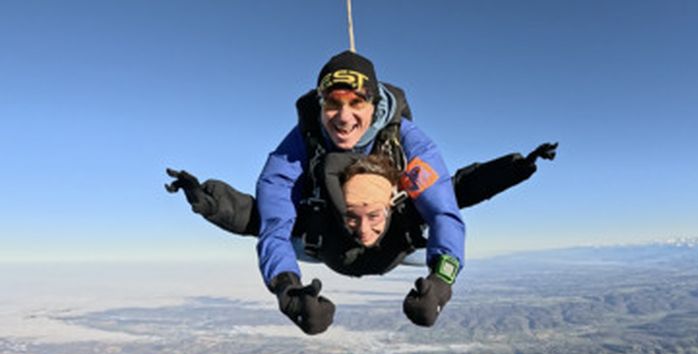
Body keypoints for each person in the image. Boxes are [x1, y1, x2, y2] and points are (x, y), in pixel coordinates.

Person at [167, 50, 557, 335]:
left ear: (373, 102)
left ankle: (383, 216)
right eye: (333, 104)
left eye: (356, 102)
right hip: (328, 240)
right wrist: (287, 290)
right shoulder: (300, 144)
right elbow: (272, 220)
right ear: (320, 106)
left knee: (442, 198)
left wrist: (441, 282)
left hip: (397, 241)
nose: (344, 115)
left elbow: (444, 209)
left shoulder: (407, 142)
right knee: (268, 220)